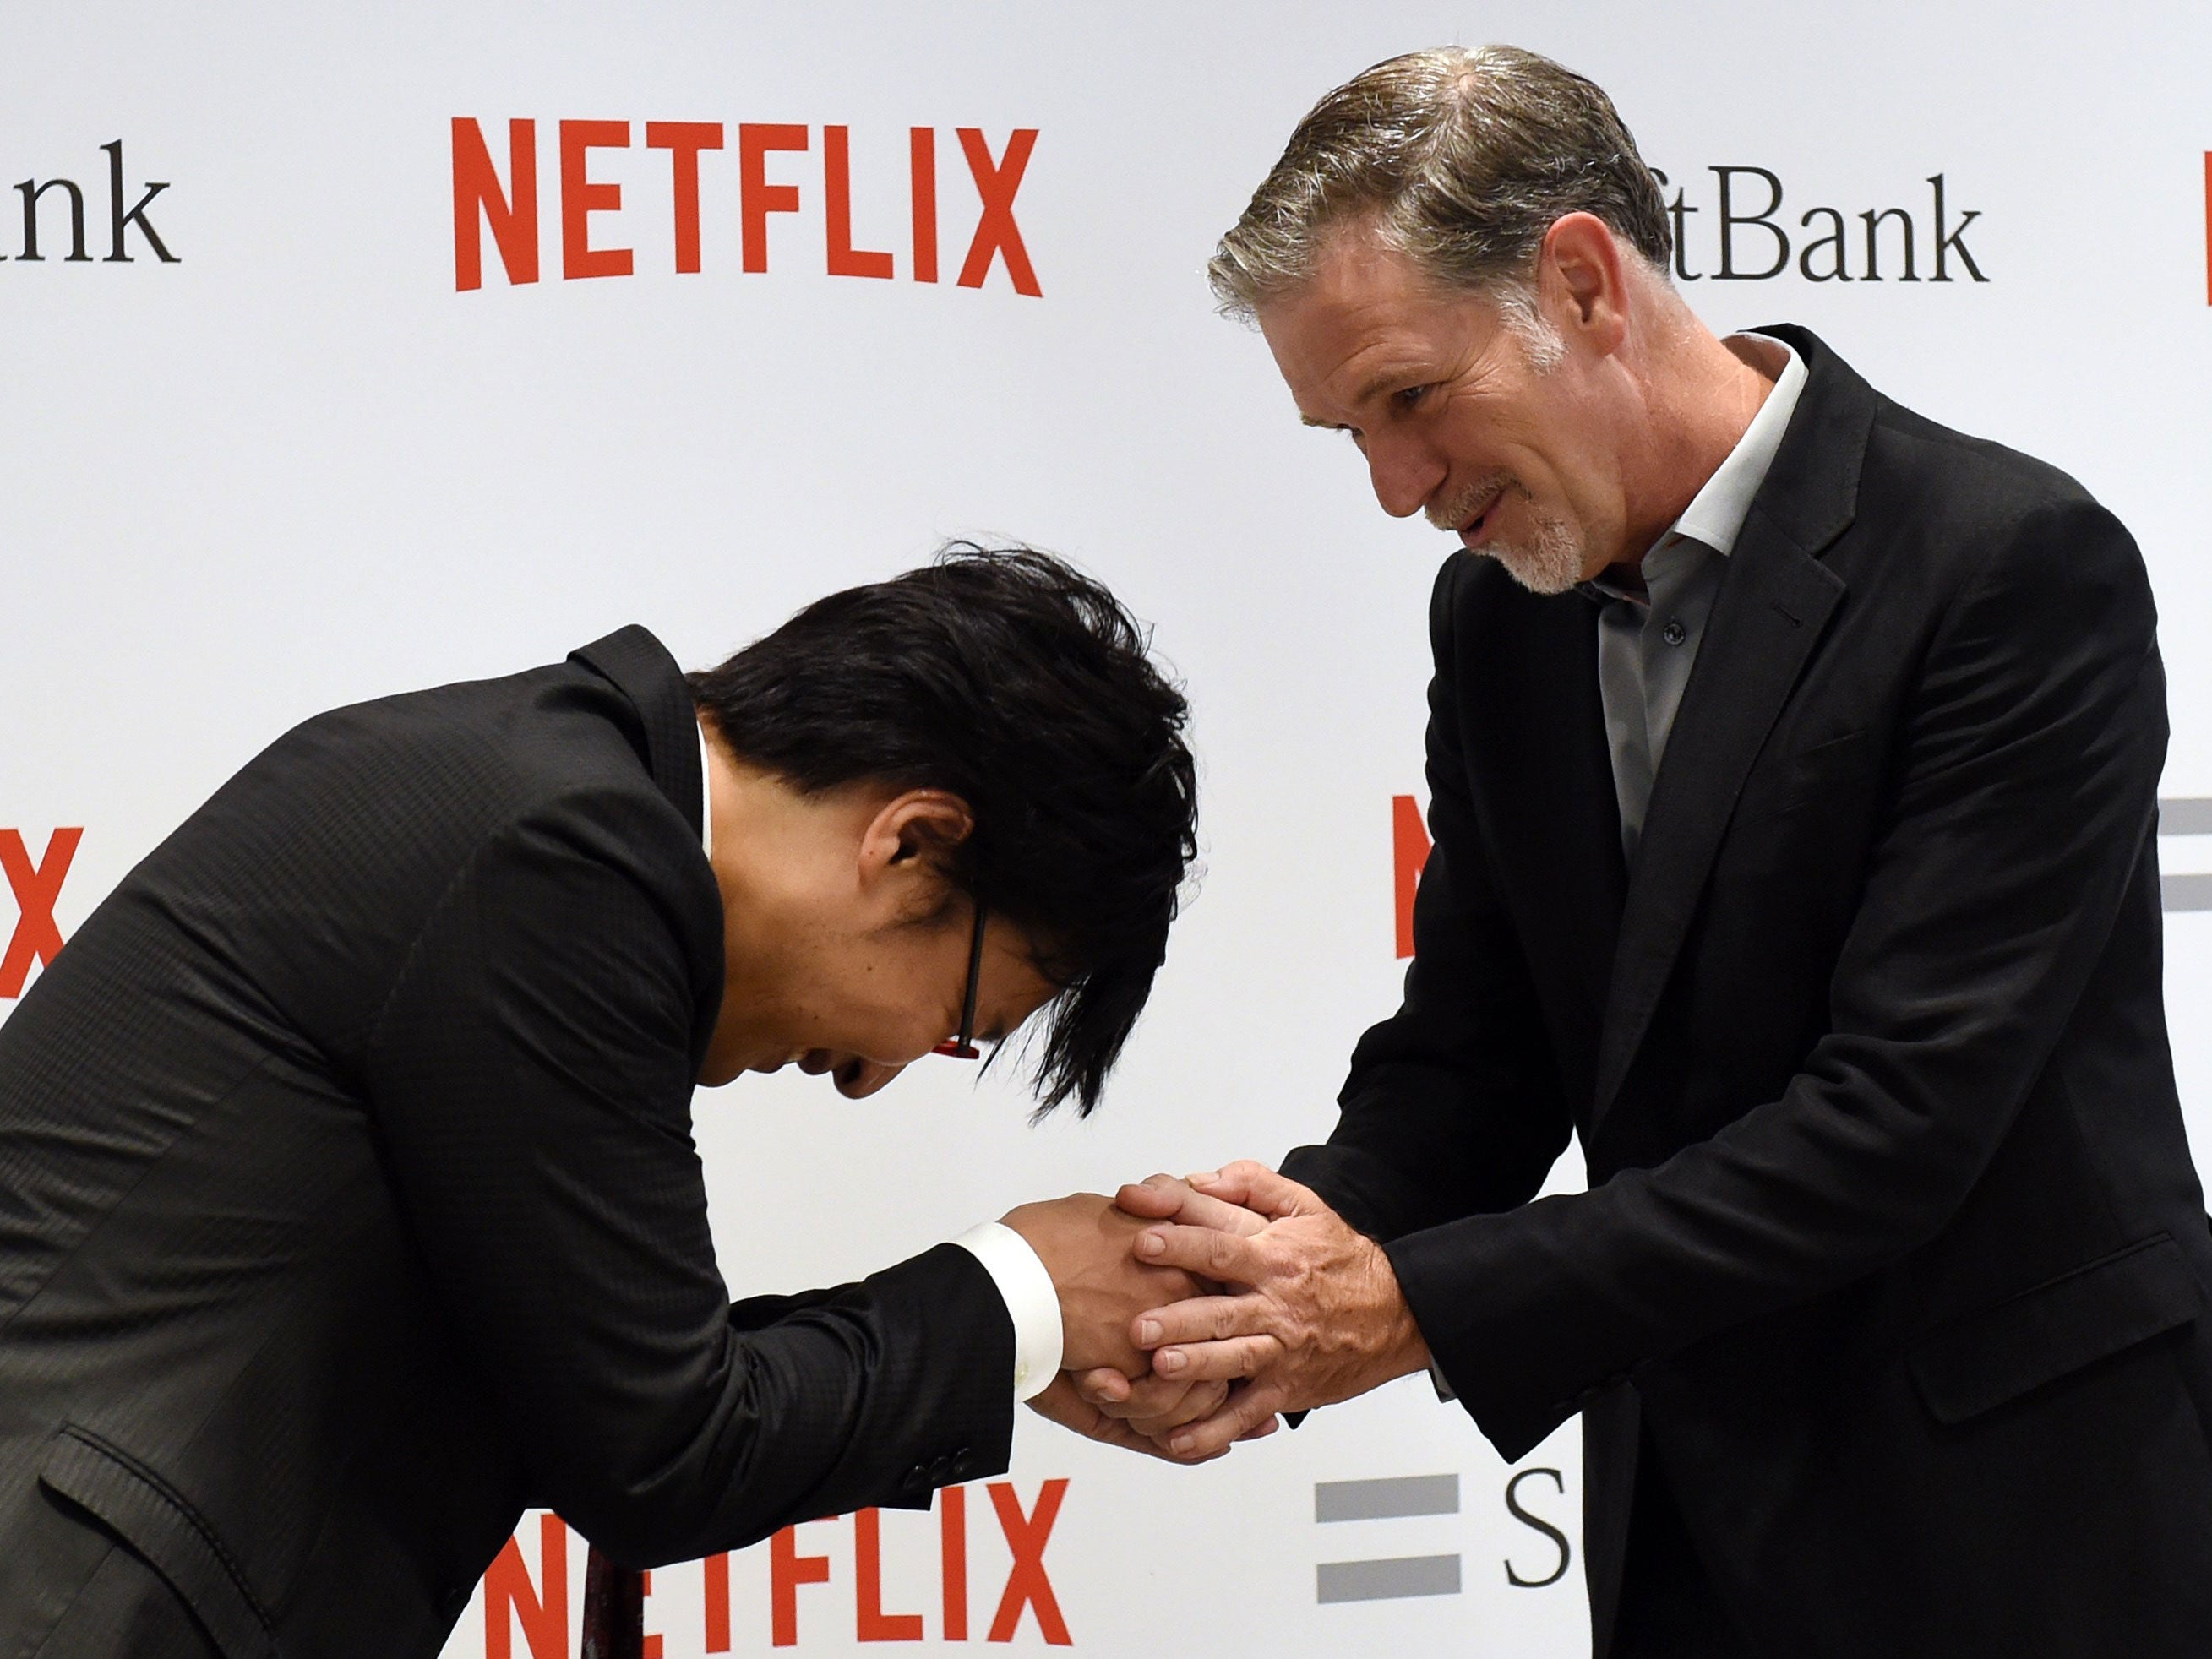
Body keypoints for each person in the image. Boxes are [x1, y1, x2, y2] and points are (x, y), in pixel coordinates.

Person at [1074, 45, 2212, 1658]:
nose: (1397, 489)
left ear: (1584, 282)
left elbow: (1893, 1122)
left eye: (1408, 398)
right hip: (1684, 1520)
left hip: (2025, 1525)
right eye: (1347, 433)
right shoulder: (1496, 616)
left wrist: (1402, 1311)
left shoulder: (2006, 568)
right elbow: (1478, 1051)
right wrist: (1264, 1275)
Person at [0, 546, 1202, 1656]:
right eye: (955, 1025)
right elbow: (666, 1451)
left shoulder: (542, 794)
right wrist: (1024, 1295)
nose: (870, 1074)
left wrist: (1009, 1338)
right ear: (910, 846)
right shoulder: (568, 855)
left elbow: (588, 1383)